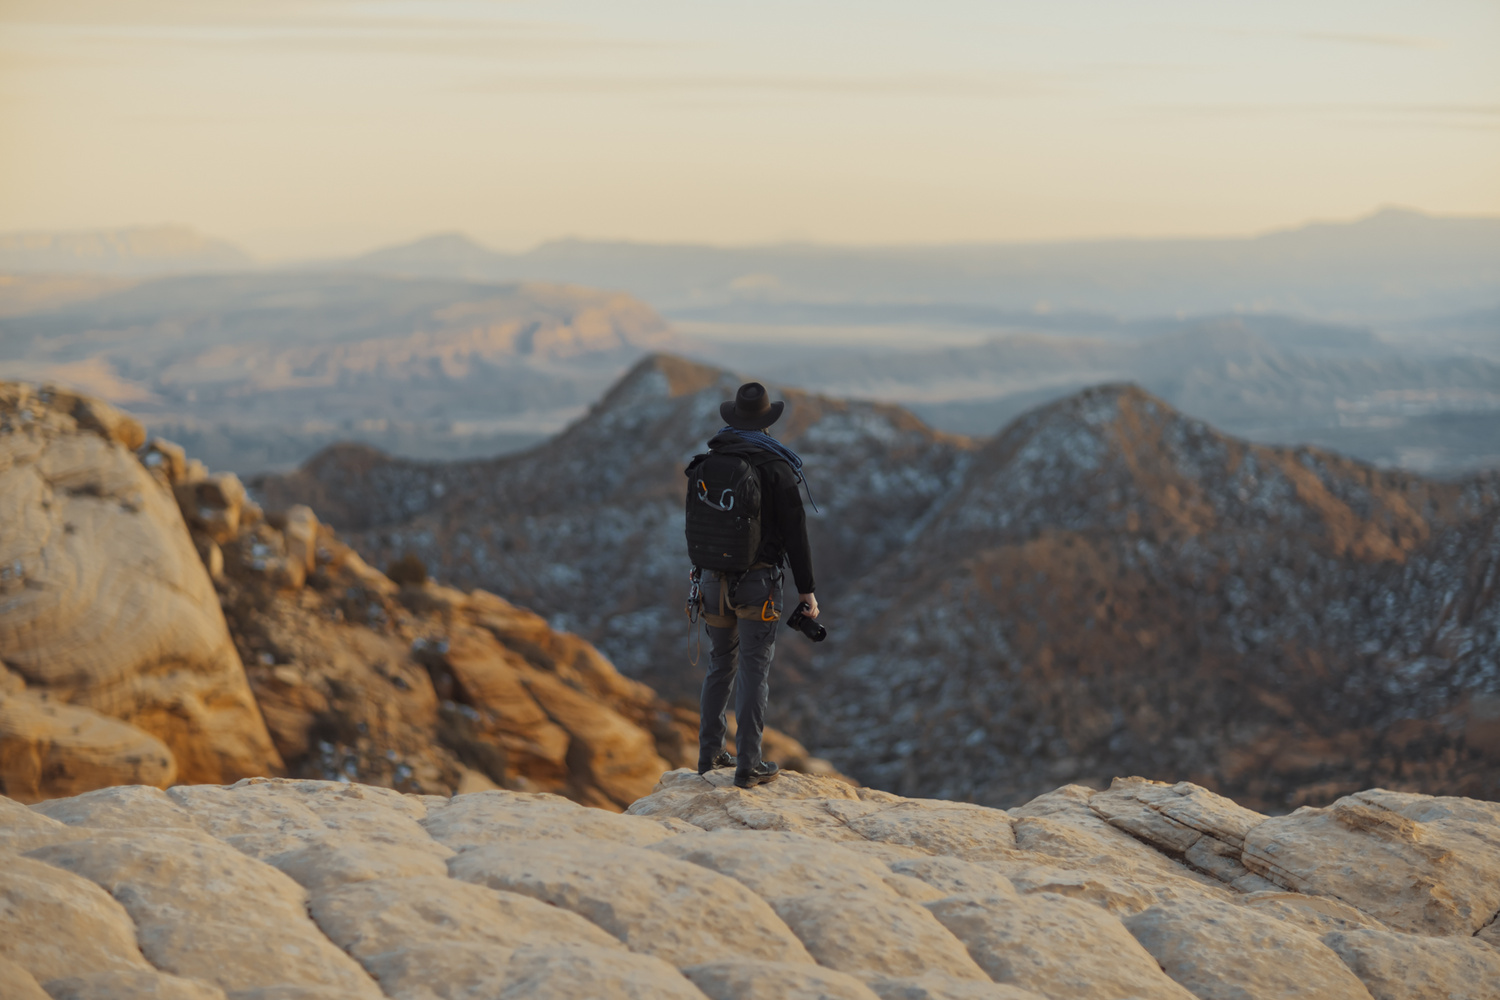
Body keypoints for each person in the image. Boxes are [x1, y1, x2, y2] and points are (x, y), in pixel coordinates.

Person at [693, 381, 819, 788]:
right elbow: (796, 534)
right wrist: (807, 590)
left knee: (720, 664)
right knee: (753, 670)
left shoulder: (711, 461)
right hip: (757, 584)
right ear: (767, 422)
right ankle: (748, 763)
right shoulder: (776, 467)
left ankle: (710, 754)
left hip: (711, 580)